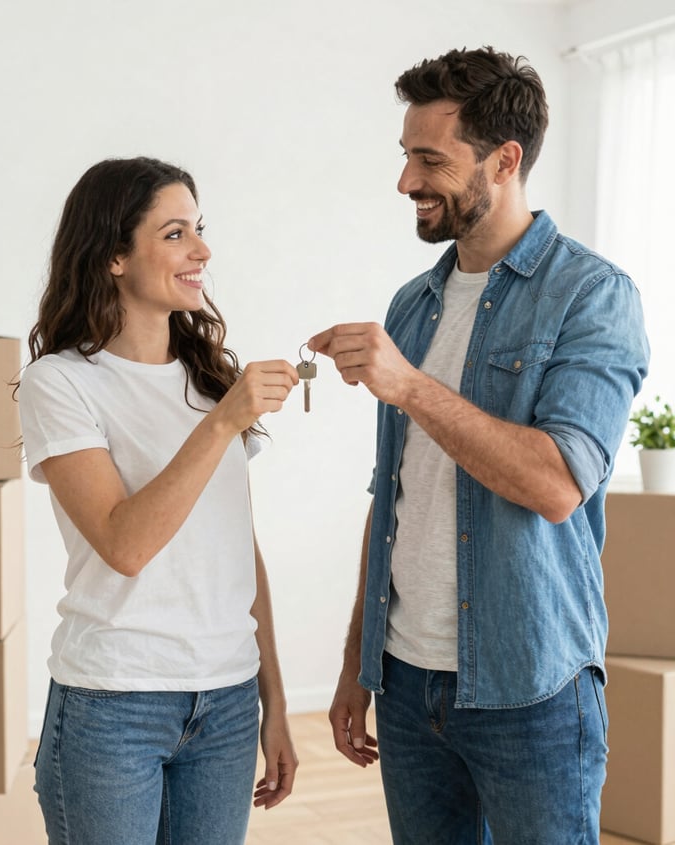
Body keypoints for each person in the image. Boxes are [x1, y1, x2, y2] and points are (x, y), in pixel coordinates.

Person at [308, 47, 649, 845]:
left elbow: (559, 482)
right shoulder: (412, 304)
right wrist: (362, 662)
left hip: (529, 692)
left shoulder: (593, 296)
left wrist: (412, 387)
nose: (405, 182)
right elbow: (392, 498)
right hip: (404, 684)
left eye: (430, 160)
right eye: (405, 156)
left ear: (505, 159)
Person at [17, 156, 299, 845]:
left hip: (227, 702)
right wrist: (223, 422)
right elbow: (125, 544)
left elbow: (239, 550)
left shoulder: (210, 379)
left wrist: (277, 703)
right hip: (112, 704)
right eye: (175, 233)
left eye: (199, 230)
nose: (201, 250)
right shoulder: (60, 383)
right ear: (114, 254)